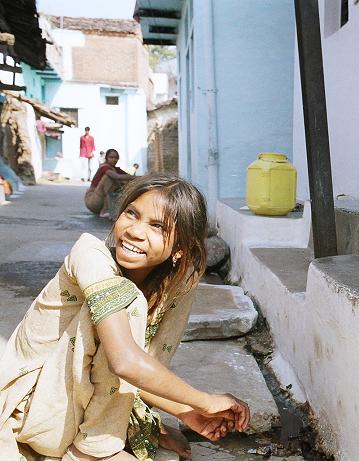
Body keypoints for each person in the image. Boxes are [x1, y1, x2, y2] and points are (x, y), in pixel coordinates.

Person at [0, 173, 250, 460]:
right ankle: (91, 450)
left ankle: (99, 438)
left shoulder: (176, 283)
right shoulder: (90, 255)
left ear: (180, 249)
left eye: (157, 226)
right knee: (125, 299)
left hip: (74, 404)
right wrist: (204, 401)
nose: (135, 231)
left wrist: (186, 411)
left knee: (133, 307)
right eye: (132, 213)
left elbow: (141, 368)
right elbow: (124, 360)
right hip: (31, 408)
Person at [85, 149, 135, 219]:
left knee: (126, 181)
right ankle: (105, 210)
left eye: (116, 158)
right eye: (111, 157)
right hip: (93, 200)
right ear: (106, 158)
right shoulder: (104, 167)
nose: (114, 160)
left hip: (100, 201)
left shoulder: (115, 169)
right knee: (109, 178)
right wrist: (135, 177)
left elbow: (128, 177)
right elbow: (117, 176)